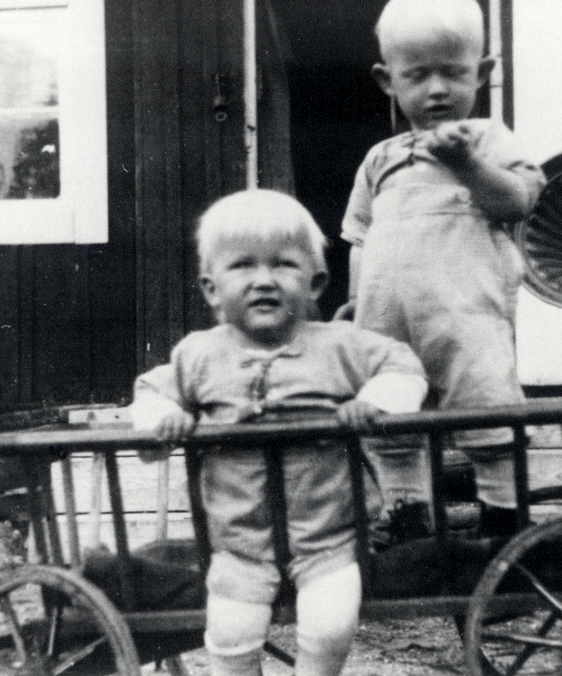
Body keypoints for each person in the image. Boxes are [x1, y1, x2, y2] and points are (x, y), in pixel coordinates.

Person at [130, 189, 427, 676]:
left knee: (331, 623)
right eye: (243, 266)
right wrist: (164, 418)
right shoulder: (199, 354)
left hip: (331, 536)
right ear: (210, 289)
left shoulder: (340, 345)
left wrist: (376, 399)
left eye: (285, 265)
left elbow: (403, 366)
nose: (264, 280)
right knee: (229, 630)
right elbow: (150, 391)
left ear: (316, 283)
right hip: (238, 542)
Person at [338, 0, 545, 535]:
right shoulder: (380, 158)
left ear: (482, 73)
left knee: (487, 407)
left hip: (466, 312)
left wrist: (468, 167)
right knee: (390, 414)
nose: (436, 90)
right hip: (387, 321)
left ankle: (503, 516)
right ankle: (409, 513)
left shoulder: (489, 140)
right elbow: (360, 236)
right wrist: (357, 301)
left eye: (453, 72)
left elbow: (518, 201)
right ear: (388, 81)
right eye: (417, 75)